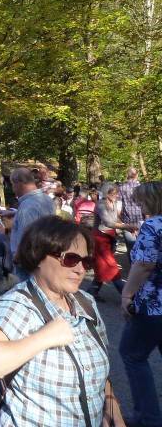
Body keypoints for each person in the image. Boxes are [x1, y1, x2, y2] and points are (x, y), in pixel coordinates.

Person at [0, 216, 110, 426]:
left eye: (86, 261)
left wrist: (115, 415)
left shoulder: (86, 302)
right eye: (71, 259)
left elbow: (100, 374)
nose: (81, 269)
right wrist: (44, 337)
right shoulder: (16, 304)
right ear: (39, 256)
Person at [119, 182, 162, 427]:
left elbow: (144, 264)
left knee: (132, 354)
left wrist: (126, 295)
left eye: (142, 200)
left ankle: (148, 418)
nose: (138, 205)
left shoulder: (153, 226)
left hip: (153, 305)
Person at [88, 185, 134, 299]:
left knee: (102, 266)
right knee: (111, 266)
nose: (116, 195)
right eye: (113, 193)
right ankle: (127, 296)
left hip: (109, 238)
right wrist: (127, 226)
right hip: (99, 239)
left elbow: (115, 219)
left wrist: (126, 226)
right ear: (106, 193)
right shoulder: (100, 204)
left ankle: (92, 291)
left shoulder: (113, 202)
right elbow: (108, 223)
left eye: (117, 193)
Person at [10, 168, 56, 279]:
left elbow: (25, 239)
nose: (13, 189)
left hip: (27, 263)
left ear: (19, 183)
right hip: (43, 257)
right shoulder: (47, 199)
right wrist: (15, 213)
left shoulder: (27, 207)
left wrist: (16, 259)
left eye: (13, 185)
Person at [119, 167, 143, 260]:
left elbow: (118, 206)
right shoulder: (142, 187)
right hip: (142, 222)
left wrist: (120, 221)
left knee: (131, 248)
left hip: (127, 222)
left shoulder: (121, 188)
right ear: (136, 175)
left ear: (127, 175)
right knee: (143, 247)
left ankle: (133, 266)